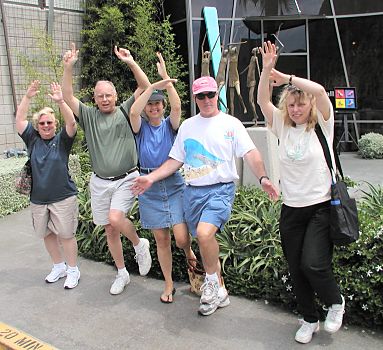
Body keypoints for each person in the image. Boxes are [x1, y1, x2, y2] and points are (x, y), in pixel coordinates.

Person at [132, 76, 279, 316]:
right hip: (192, 192)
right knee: (204, 242)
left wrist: (263, 178)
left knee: (203, 234)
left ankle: (210, 284)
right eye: (201, 96)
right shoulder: (188, 126)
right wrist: (151, 178)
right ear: (196, 98)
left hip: (220, 190)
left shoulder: (231, 124)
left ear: (216, 94)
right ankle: (220, 290)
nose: (207, 99)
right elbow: (174, 161)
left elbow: (251, 153)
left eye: (211, 94)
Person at [257, 41, 345, 344]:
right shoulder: (282, 126)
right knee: (296, 269)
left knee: (313, 263)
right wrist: (267, 69)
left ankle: (336, 302)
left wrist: (288, 79)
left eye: (300, 104)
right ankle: (309, 318)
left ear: (308, 106)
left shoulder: (323, 124)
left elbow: (320, 91)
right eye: (291, 105)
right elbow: (261, 102)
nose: (296, 109)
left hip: (320, 207)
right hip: (291, 208)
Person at [62, 43, 152, 295]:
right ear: (95, 98)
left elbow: (145, 87)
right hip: (100, 181)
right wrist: (68, 67)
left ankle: (138, 244)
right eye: (100, 95)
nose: (104, 99)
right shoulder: (89, 116)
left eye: (108, 95)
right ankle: (122, 273)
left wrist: (131, 62)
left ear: (115, 95)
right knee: (110, 229)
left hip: (126, 178)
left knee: (115, 218)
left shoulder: (125, 111)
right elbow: (68, 96)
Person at [129, 52, 196, 303]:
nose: (155, 107)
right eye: (150, 104)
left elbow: (178, 106)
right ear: (146, 108)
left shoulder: (171, 124)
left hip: (173, 183)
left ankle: (190, 255)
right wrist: (150, 88)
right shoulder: (140, 127)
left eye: (158, 103)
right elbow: (133, 112)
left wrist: (165, 78)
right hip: (149, 187)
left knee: (180, 237)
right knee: (161, 238)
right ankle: (169, 283)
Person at [15, 80, 80, 289]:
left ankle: (72, 270)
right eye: (42, 123)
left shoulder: (62, 140)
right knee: (46, 233)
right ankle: (58, 266)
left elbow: (72, 123)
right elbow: (19, 120)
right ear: (37, 126)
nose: (45, 126)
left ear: (55, 124)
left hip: (63, 197)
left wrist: (61, 101)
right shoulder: (32, 140)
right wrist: (28, 96)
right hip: (38, 199)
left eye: (49, 123)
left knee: (67, 235)